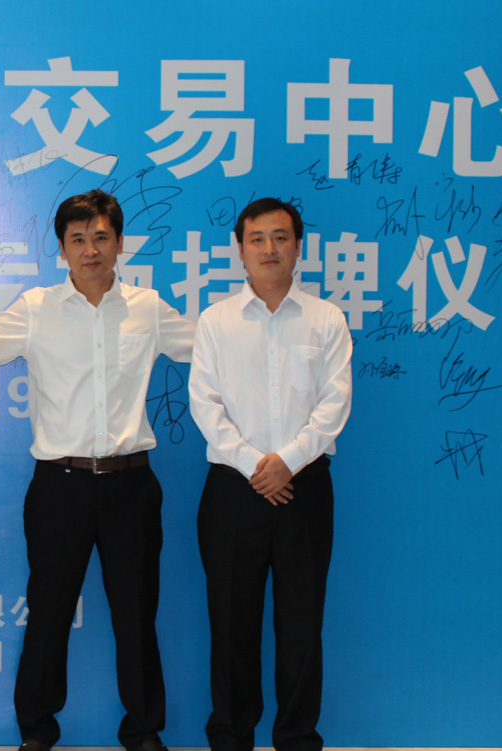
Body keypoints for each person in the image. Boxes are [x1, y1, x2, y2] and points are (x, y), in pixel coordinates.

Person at [0, 189, 194, 751]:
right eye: (77, 239)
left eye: (101, 237)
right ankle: (36, 729)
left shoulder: (148, 308)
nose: (90, 249)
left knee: (136, 614)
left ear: (120, 243)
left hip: (131, 484)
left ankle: (143, 730)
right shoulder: (35, 309)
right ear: (62, 248)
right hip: (60, 485)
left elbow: (212, 349)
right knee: (48, 613)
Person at [188, 198, 352, 751]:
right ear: (240, 249)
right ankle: (231, 735)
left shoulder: (326, 319)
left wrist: (288, 462)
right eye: (256, 239)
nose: (269, 248)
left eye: (280, 237)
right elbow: (205, 404)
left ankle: (297, 737)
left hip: (305, 488)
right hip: (234, 490)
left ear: (298, 246)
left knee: (302, 624)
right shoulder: (215, 322)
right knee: (231, 621)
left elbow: (334, 403)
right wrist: (254, 465)